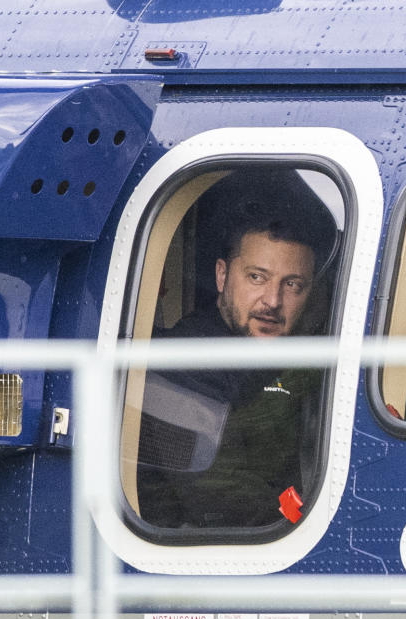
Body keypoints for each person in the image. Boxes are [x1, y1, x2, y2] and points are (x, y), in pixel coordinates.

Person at [136, 169, 335, 530]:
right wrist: (295, 510)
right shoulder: (184, 364)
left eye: (292, 285)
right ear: (222, 276)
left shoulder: (290, 361)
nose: (272, 301)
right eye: (256, 277)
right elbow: (225, 502)